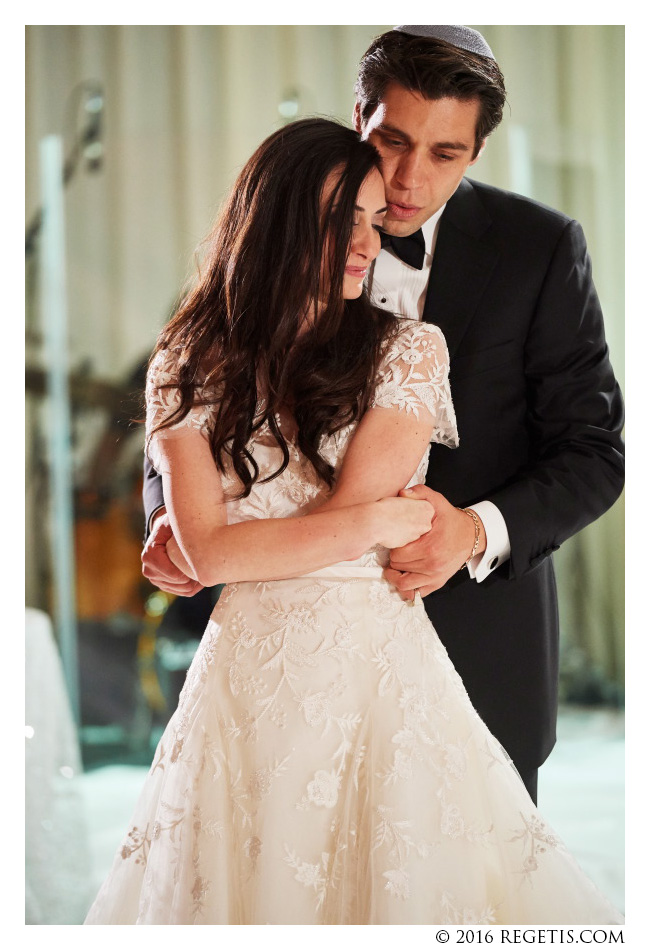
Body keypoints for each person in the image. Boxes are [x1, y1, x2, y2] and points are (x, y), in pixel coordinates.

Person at [86, 117, 622, 924]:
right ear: (273, 219)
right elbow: (211, 547)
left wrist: (240, 543)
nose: (366, 241)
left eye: (371, 221)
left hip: (376, 665)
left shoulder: (407, 349)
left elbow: (246, 541)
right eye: (341, 219)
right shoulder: (187, 356)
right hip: (242, 677)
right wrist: (382, 516)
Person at [141, 25, 625, 805]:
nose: (405, 180)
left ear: (476, 152)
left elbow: (594, 450)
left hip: (471, 640)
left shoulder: (538, 248)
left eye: (445, 154)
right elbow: (190, 403)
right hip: (275, 656)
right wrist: (167, 517)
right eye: (392, 140)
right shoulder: (265, 251)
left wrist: (473, 530)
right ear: (358, 114)